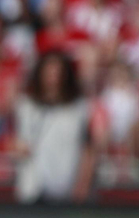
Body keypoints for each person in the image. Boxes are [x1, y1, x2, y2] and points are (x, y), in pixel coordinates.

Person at [14, 50, 96, 203]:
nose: (54, 77)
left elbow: (88, 148)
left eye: (58, 72)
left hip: (68, 189)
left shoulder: (80, 108)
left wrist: (83, 184)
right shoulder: (26, 106)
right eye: (49, 71)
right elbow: (16, 141)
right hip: (34, 189)